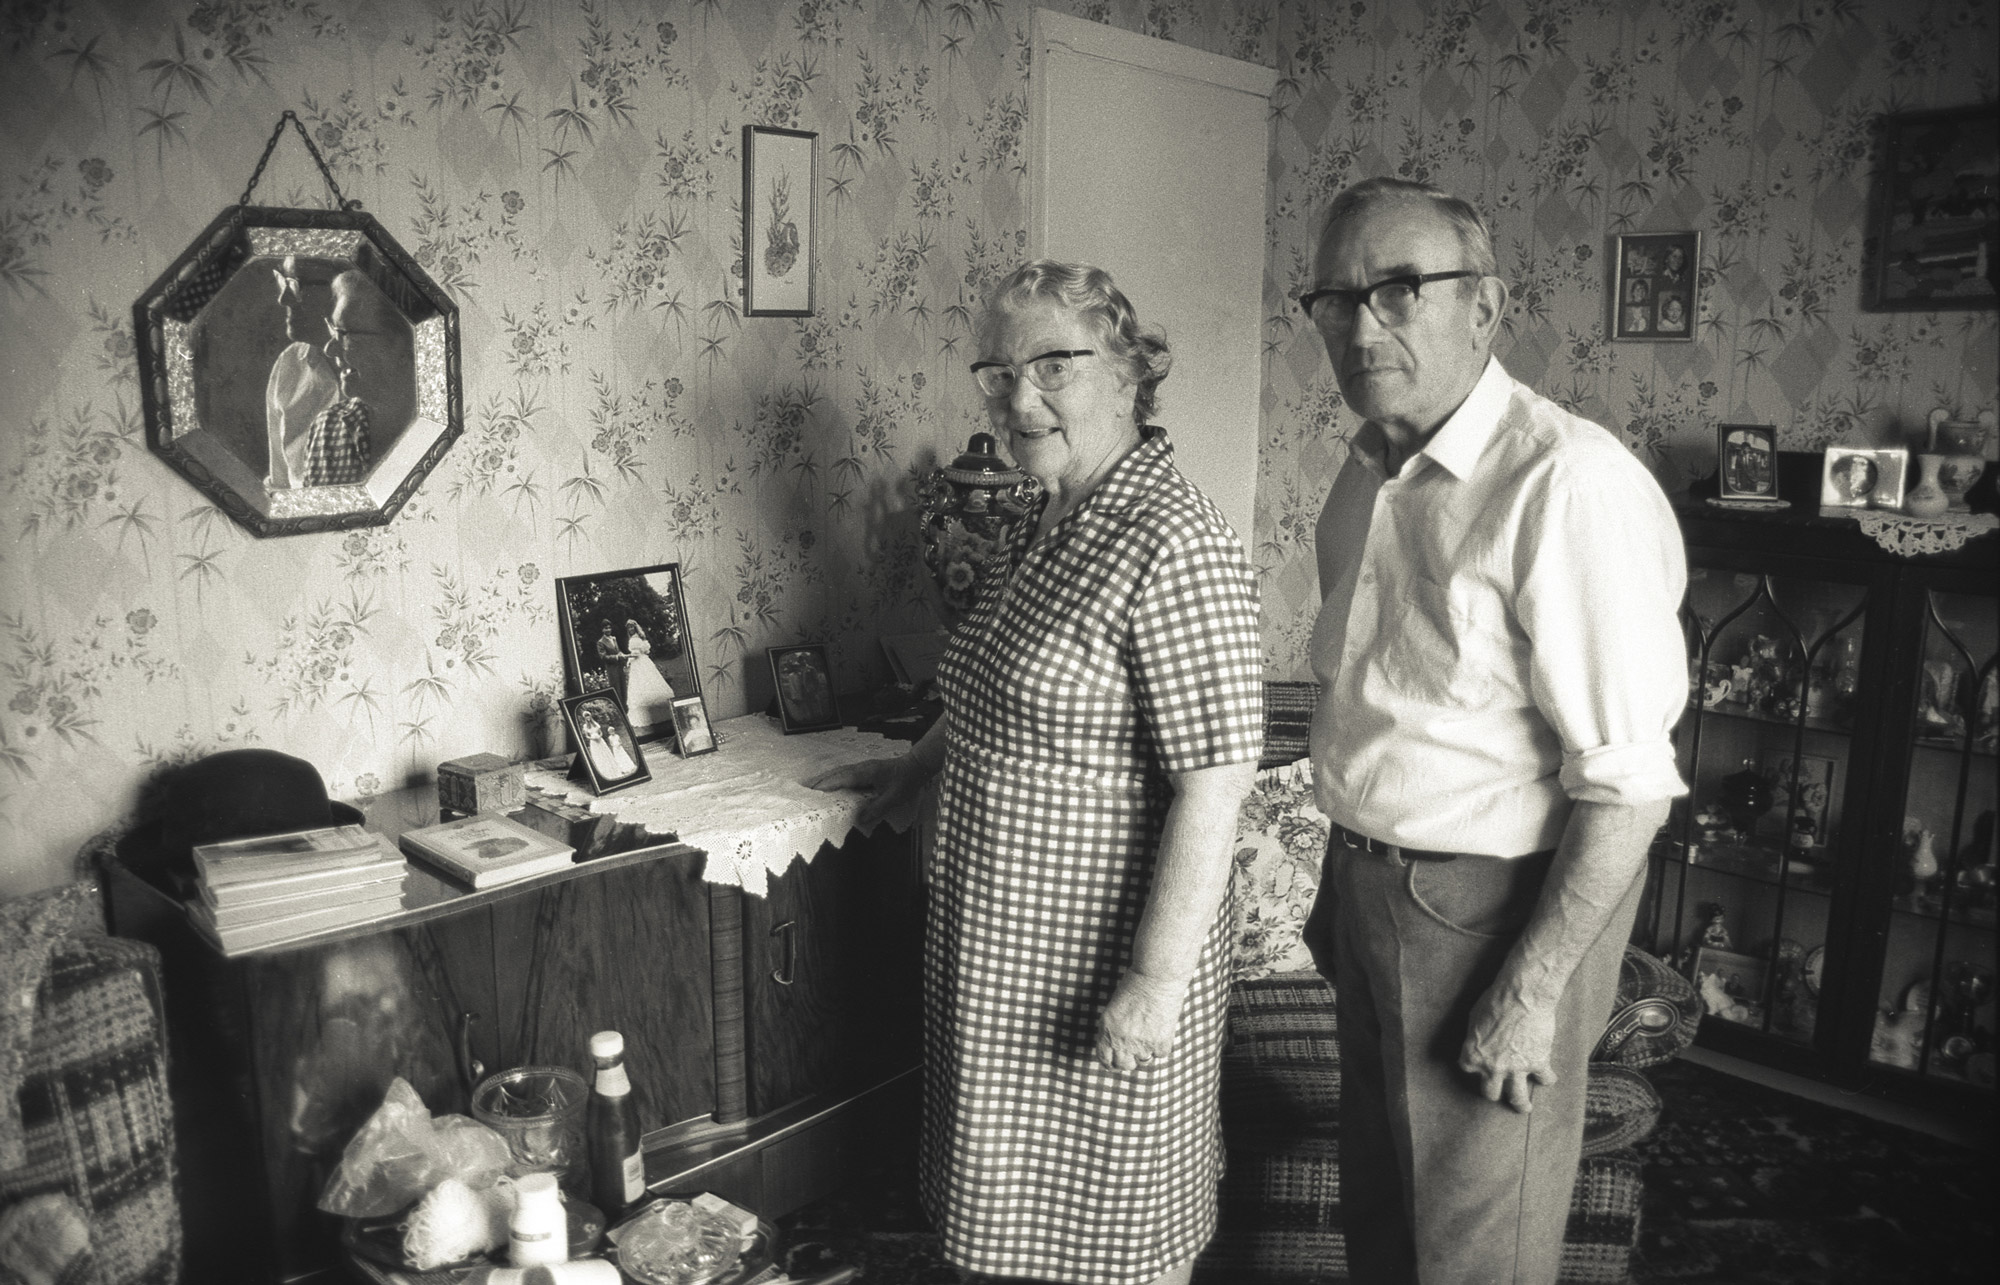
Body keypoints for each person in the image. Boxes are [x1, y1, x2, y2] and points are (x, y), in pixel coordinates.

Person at [807, 260, 1263, 1285]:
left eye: (1052, 363)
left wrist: (1150, 986)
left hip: (1096, 963)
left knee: (1105, 1230)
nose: (1019, 397)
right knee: (1014, 1230)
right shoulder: (1057, 515)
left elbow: (1214, 783)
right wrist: (910, 773)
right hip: (1007, 956)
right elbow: (1000, 685)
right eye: (996, 371)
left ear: (1130, 371)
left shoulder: (1169, 538)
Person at [1294, 177, 1687, 1283]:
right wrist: (1342, 898)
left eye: (1399, 289)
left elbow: (1628, 787)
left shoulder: (1564, 483)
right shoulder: (1374, 466)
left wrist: (1531, 992)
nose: (1362, 323)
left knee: (1470, 1249)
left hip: (1488, 910)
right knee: (1382, 1220)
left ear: (1483, 307)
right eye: (1334, 297)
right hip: (1370, 886)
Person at [303, 271, 414, 487]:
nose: (330, 349)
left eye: (346, 334)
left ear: (402, 346)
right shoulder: (328, 429)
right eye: (334, 331)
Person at [263, 256, 342, 490]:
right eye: (283, 282)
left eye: (297, 284)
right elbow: (281, 487)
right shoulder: (289, 365)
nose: (284, 298)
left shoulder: (383, 366)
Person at [622, 619, 678, 734]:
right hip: (644, 661)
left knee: (645, 683)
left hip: (639, 663)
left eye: (632, 627)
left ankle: (655, 712)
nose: (631, 630)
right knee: (644, 684)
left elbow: (636, 653)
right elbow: (646, 650)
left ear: (635, 628)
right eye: (629, 628)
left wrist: (627, 659)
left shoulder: (634, 639)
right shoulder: (641, 637)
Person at [595, 621, 630, 704]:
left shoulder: (614, 638)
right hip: (612, 669)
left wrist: (621, 655)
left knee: (624, 689)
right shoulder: (600, 642)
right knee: (616, 689)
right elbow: (603, 656)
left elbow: (617, 650)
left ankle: (626, 708)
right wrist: (616, 657)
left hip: (620, 667)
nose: (608, 630)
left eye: (609, 627)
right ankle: (620, 709)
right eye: (606, 628)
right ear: (602, 630)